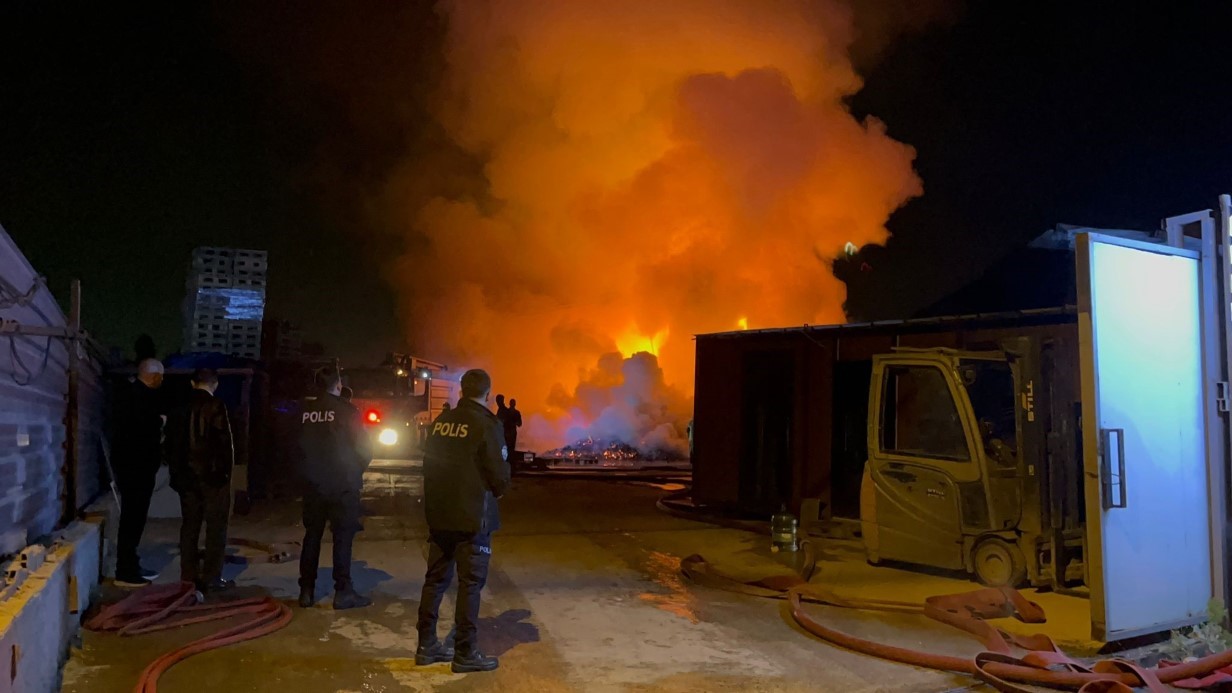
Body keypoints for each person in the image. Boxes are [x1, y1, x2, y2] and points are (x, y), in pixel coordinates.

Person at [417, 369, 510, 673]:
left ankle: (426, 645)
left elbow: (428, 465)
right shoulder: (487, 424)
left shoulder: (442, 422)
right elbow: (499, 475)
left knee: (435, 580)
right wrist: (498, 488)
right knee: (470, 585)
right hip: (471, 519)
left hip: (439, 514)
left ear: (461, 390)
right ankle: (465, 652)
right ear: (488, 393)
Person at [296, 366, 373, 610]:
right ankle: (343, 591)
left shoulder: (303, 411)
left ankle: (306, 591)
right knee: (342, 537)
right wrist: (354, 472)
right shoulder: (347, 410)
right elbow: (364, 448)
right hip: (342, 484)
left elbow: (292, 447)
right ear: (338, 385)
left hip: (312, 485)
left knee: (312, 536)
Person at [165, 368, 235, 593]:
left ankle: (188, 575)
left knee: (190, 525)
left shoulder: (178, 407)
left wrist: (175, 473)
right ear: (215, 384)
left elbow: (169, 444)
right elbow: (224, 444)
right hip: (213, 477)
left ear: (192, 383)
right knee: (216, 527)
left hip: (186, 477)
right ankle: (212, 576)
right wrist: (225, 474)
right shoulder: (216, 406)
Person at [112, 358, 165, 587]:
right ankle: (126, 571)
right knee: (133, 519)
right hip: (136, 469)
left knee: (133, 519)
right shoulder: (139, 398)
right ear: (154, 376)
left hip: (133, 468)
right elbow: (142, 431)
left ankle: (131, 565)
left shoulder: (132, 395)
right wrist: (160, 423)